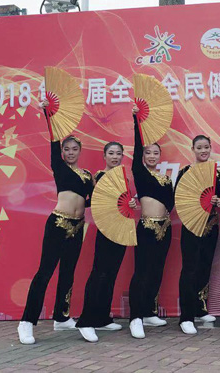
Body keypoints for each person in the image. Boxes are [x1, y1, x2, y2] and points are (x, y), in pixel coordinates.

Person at [17, 98, 93, 345]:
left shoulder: (87, 175)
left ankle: (61, 316)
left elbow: (91, 201)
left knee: (68, 273)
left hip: (78, 226)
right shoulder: (59, 167)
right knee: (45, 272)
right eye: (67, 149)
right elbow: (53, 141)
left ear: (80, 151)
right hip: (58, 224)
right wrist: (49, 114)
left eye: (74, 149)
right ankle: (27, 322)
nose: (70, 152)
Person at [75, 141, 136, 342]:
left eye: (118, 153)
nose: (115, 157)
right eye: (111, 153)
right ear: (104, 156)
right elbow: (96, 203)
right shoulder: (100, 177)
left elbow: (122, 203)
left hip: (122, 229)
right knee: (99, 274)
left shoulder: (124, 178)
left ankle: (102, 318)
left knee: (111, 274)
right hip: (106, 230)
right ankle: (86, 321)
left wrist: (131, 203)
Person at [128, 107, 174, 339]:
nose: (152, 156)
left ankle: (148, 312)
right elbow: (137, 149)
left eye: (156, 153)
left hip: (165, 228)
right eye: (148, 153)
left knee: (157, 270)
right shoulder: (140, 173)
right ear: (143, 156)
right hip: (146, 228)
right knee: (142, 271)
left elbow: (171, 203)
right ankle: (135, 317)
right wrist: (137, 121)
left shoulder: (166, 179)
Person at [175, 135, 220, 335]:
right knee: (189, 269)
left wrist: (218, 201)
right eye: (199, 148)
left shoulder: (217, 173)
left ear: (210, 148)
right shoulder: (185, 172)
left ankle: (200, 309)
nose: (203, 151)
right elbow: (178, 197)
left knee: (205, 266)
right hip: (191, 225)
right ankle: (186, 317)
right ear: (192, 149)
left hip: (211, 225)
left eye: (206, 147)